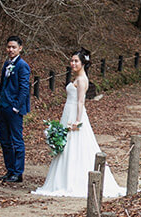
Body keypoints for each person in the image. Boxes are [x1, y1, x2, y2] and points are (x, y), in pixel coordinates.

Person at [33, 49, 124, 198]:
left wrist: (77, 120)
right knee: (66, 146)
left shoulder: (82, 80)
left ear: (82, 64)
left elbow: (81, 101)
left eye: (76, 61)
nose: (73, 63)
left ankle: (73, 180)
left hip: (75, 115)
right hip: (67, 113)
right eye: (72, 61)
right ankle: (63, 178)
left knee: (75, 145)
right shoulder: (77, 78)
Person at [0, 35, 31, 183]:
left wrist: (16, 106)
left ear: (20, 48)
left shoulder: (23, 65)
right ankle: (9, 170)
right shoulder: (6, 64)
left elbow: (24, 89)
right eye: (9, 47)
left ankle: (18, 172)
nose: (11, 49)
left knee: (17, 140)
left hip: (14, 109)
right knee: (5, 141)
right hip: (2, 107)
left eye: (14, 47)